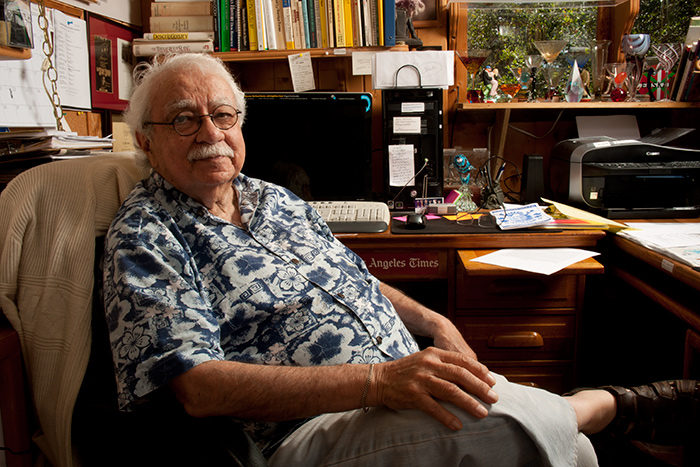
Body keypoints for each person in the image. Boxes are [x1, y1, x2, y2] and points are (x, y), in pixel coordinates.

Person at [102, 53, 698, 466]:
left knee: (568, 449)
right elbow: (197, 388)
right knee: (521, 430)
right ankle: (598, 404)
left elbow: (349, 278)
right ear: (145, 141)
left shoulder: (274, 197)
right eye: (183, 118)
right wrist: (378, 379)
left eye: (223, 114)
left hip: (396, 386)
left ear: (241, 125)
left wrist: (434, 323)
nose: (210, 130)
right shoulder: (146, 233)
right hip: (304, 430)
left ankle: (584, 414)